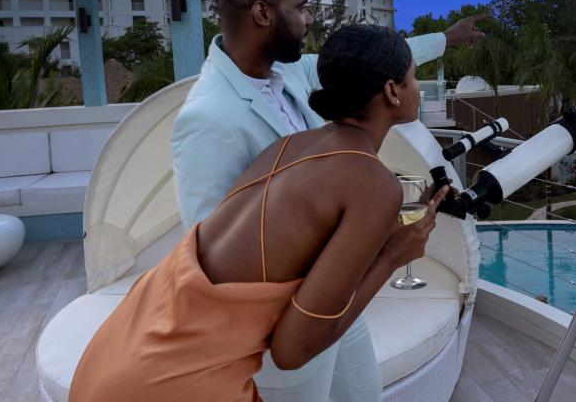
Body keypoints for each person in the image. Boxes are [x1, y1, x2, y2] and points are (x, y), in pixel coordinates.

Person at [70, 24, 450, 402]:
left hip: (121, 345)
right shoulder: (374, 183)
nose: (418, 88)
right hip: (173, 383)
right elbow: (291, 351)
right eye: (414, 78)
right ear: (391, 91)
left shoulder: (287, 147)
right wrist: (391, 257)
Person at [170, 0, 484, 400]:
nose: (309, 18)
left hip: (336, 295)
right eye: (299, 8)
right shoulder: (208, 117)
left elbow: (376, 62)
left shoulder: (288, 72)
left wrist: (445, 39)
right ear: (263, 13)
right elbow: (209, 246)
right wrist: (383, 251)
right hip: (280, 328)